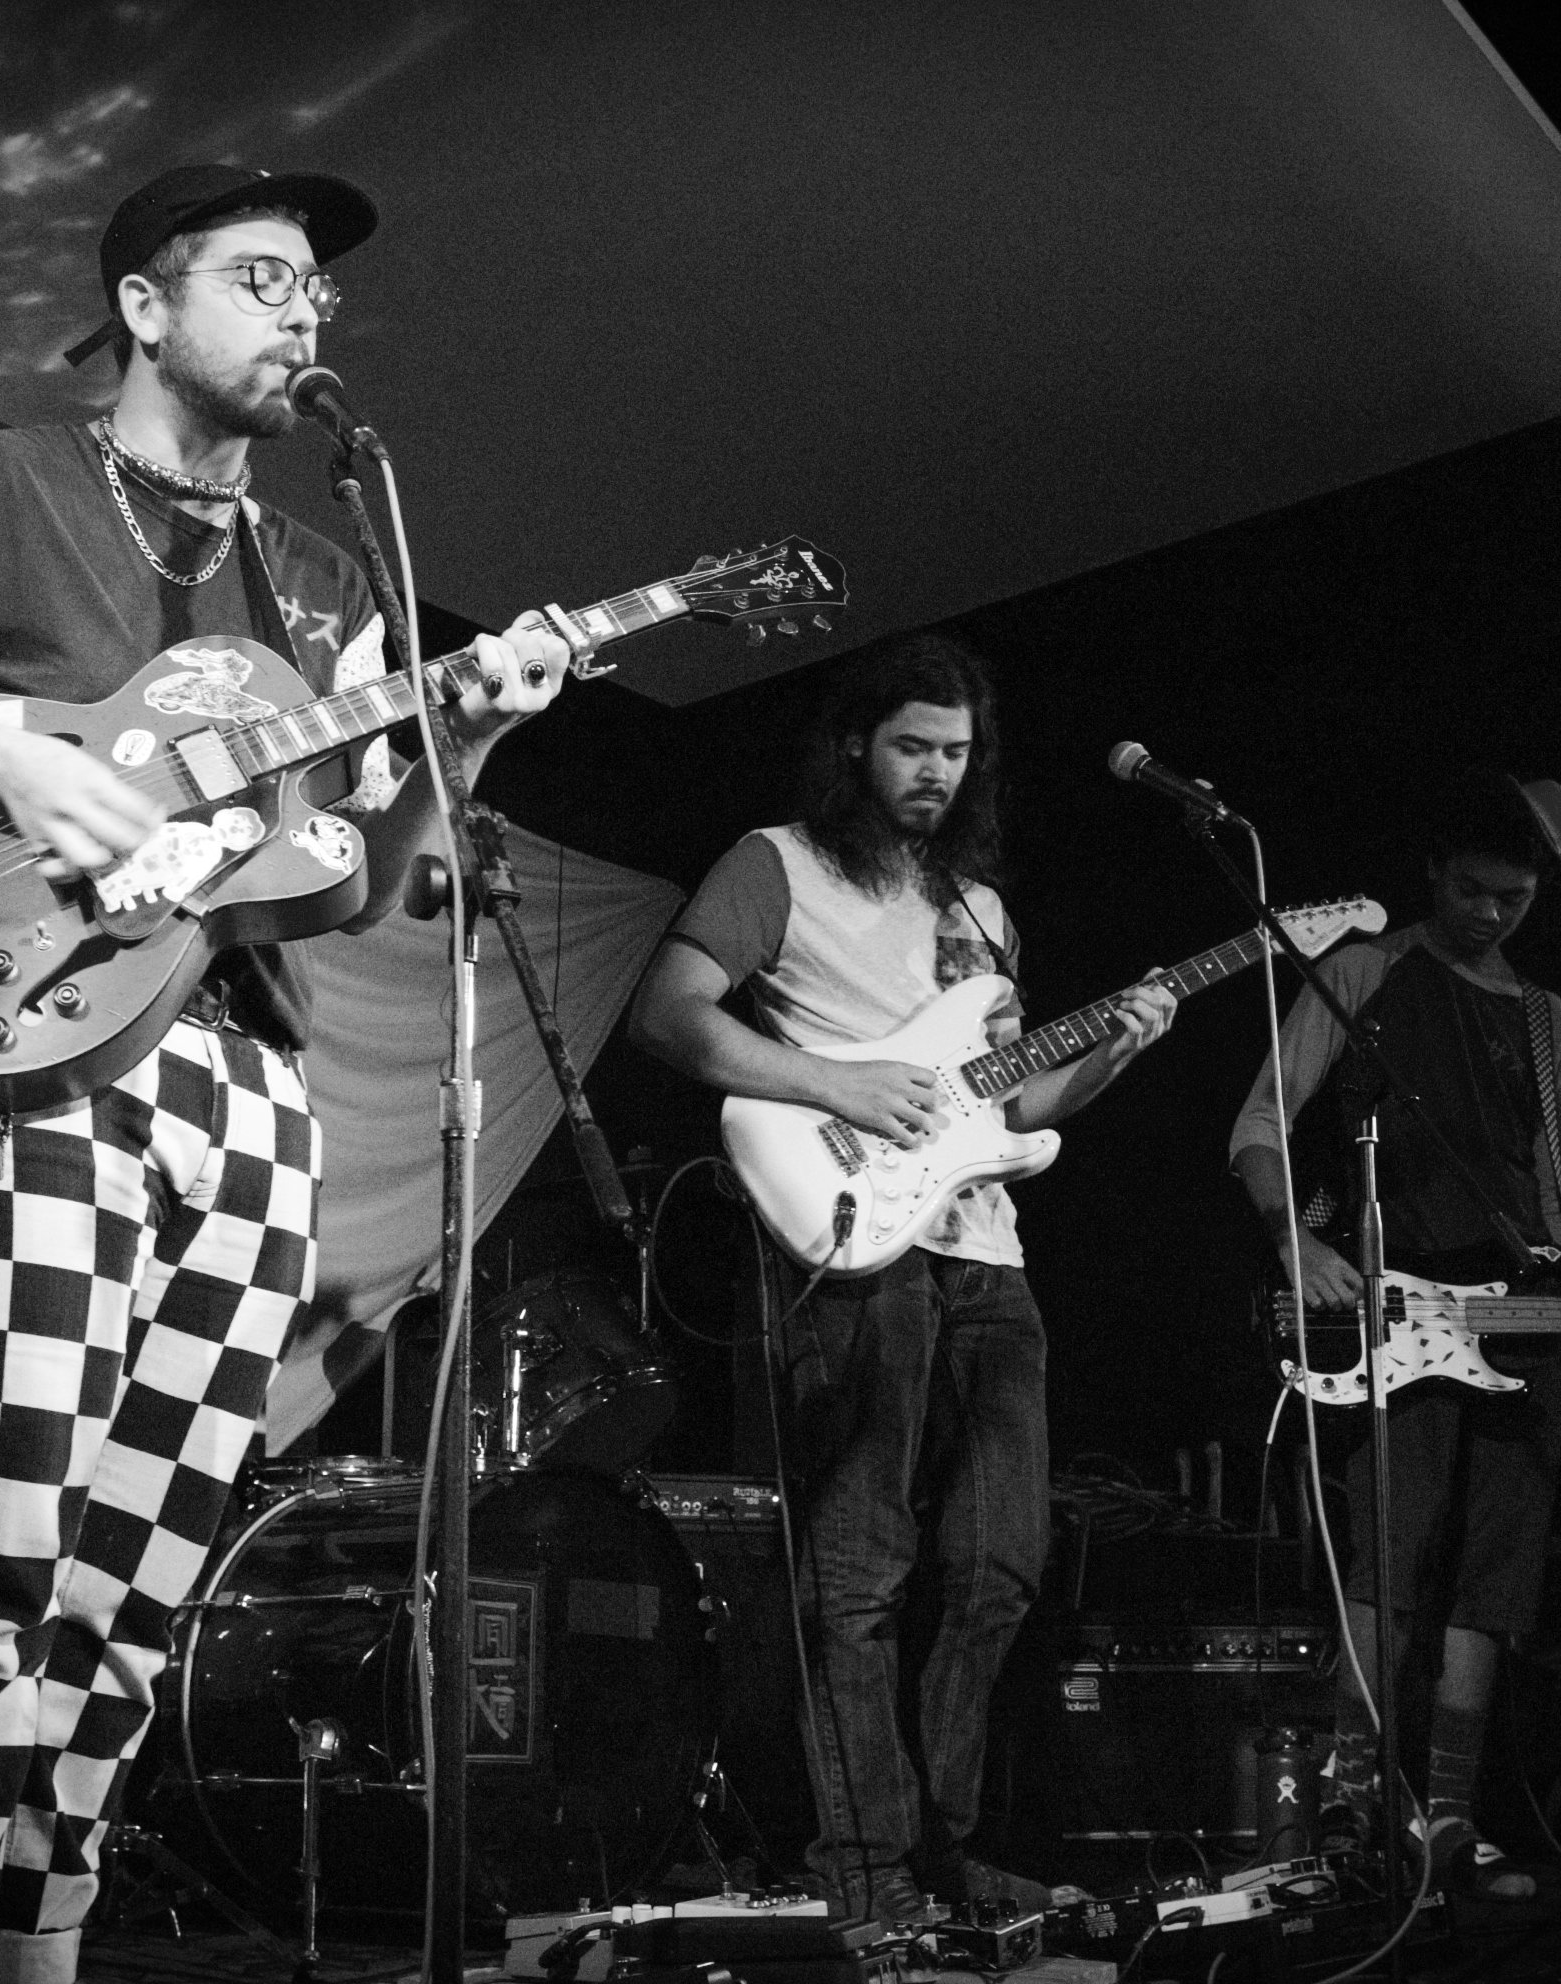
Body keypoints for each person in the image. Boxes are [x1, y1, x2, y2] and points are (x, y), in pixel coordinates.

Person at [0, 163, 572, 1983]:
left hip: (250, 1089)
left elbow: (357, 881)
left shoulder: (326, 582)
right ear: (143, 304)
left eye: (318, 290)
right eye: (262, 276)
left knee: (133, 1591)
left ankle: (44, 1952)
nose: (306, 310)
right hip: (38, 1063)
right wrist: (5, 760)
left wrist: (471, 738)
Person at [628, 635, 1176, 1924]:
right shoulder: (776, 864)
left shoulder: (978, 909)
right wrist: (837, 1082)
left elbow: (1012, 1104)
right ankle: (864, 1872)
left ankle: (941, 1852)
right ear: (855, 748)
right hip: (852, 1235)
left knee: (1000, 1565)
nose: (936, 772)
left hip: (985, 1249)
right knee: (861, 1565)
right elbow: (668, 1013)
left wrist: (1115, 1050)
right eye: (912, 747)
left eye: (957, 752)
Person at [1226, 771, 1561, 1900]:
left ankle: (1449, 1819)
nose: (1490, 914)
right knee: (1390, 1563)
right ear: (1432, 874)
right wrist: (1294, 1241)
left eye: (1514, 898)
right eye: (1471, 890)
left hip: (1523, 1317)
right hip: (1399, 1309)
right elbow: (1260, 1121)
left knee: (1494, 1582)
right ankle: (1356, 1809)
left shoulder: (1548, 1020)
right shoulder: (1364, 970)